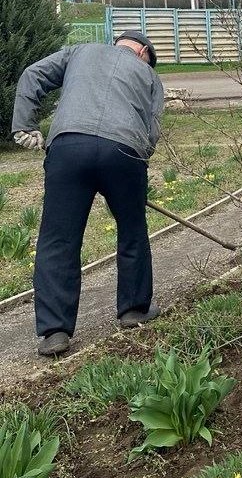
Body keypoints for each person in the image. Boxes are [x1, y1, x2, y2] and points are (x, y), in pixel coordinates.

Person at [11, 31, 164, 357]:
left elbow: (32, 75)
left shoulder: (79, 51)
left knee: (58, 239)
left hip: (69, 147)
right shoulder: (149, 76)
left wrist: (24, 125)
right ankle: (133, 309)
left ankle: (55, 332)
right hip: (124, 151)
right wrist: (136, 168)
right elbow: (152, 128)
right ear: (142, 54)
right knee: (132, 231)